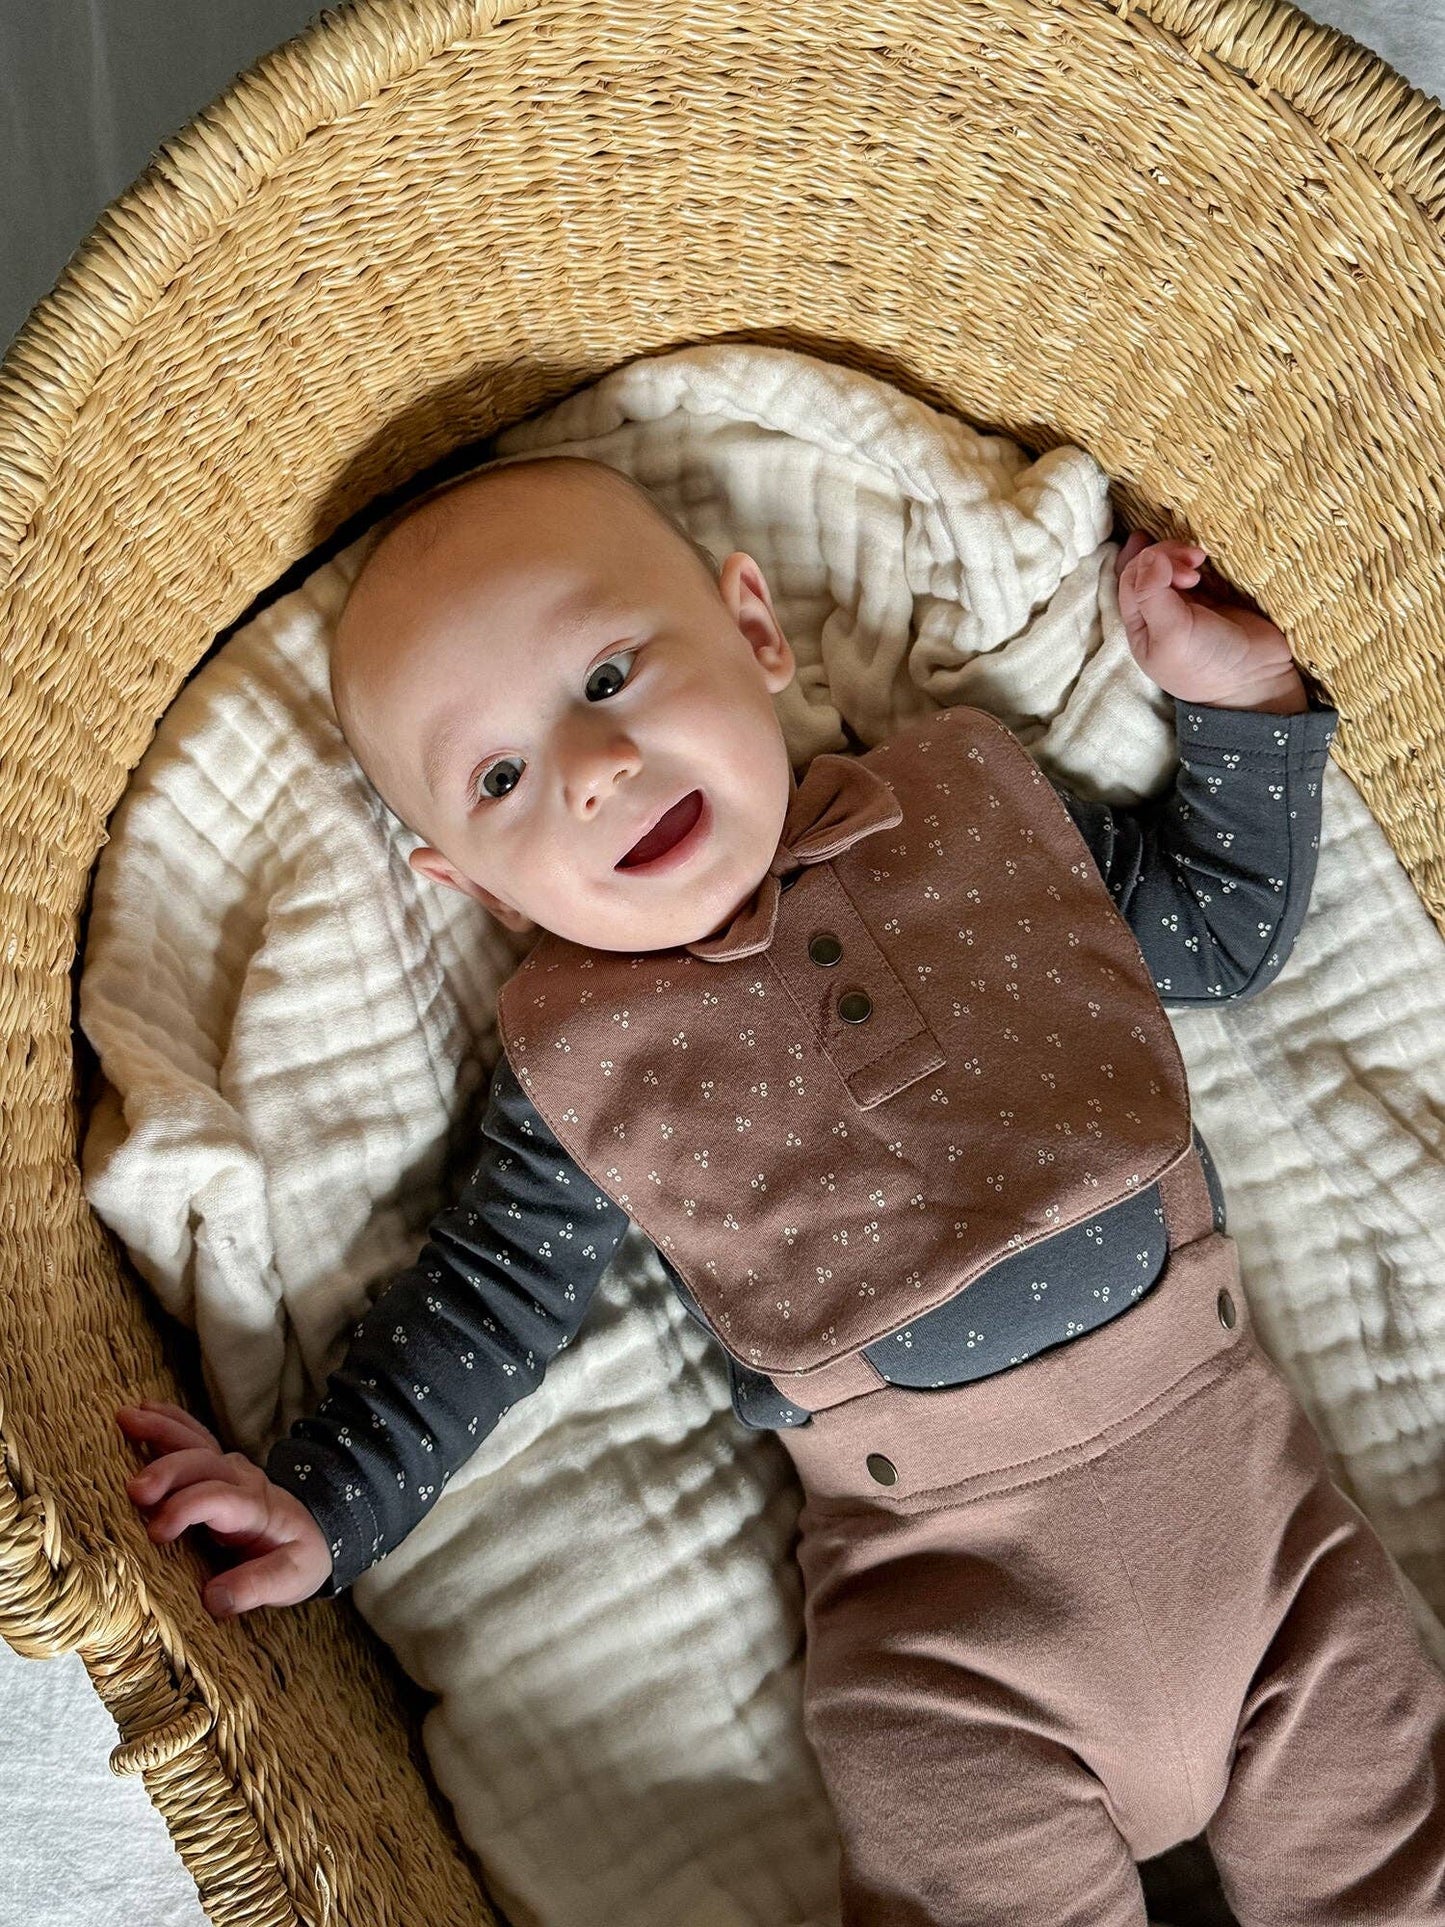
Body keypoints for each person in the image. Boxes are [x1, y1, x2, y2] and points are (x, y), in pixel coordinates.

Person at [118, 455, 1445, 1924]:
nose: (591, 766)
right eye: (500, 779)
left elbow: (1217, 925)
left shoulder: (973, 807)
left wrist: (1237, 700)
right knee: (942, 1823)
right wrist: (319, 1505)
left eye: (611, 672)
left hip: (1260, 1536)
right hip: (953, 1632)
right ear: (478, 886)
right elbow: (485, 1311)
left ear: (754, 630)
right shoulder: (582, 1070)